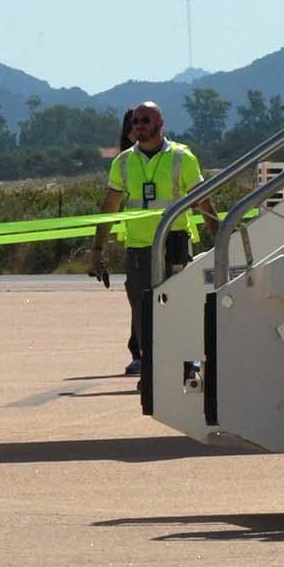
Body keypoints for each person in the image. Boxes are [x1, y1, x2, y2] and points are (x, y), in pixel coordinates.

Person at [103, 99, 206, 395]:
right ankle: (148, 366)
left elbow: (203, 199)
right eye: (135, 121)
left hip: (174, 243)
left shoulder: (181, 157)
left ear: (160, 125)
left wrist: (222, 232)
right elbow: (110, 205)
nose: (138, 126)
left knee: (180, 306)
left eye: (145, 121)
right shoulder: (122, 162)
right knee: (141, 308)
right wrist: (97, 249)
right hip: (138, 247)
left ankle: (188, 366)